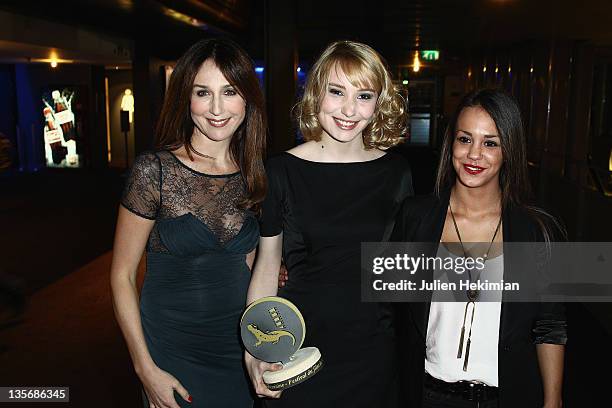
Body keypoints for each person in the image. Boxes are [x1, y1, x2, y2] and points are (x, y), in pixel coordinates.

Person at [245, 40, 413, 407]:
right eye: (337, 92)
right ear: (316, 91)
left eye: (364, 96)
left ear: (379, 103)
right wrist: (254, 351)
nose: (349, 109)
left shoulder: (396, 172)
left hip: (372, 350)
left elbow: (401, 267)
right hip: (298, 348)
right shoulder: (280, 170)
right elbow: (267, 264)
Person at [110, 38, 267, 408]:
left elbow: (248, 266)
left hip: (239, 352)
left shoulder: (257, 177)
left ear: (247, 99)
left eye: (229, 91)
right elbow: (121, 276)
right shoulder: (154, 172)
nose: (216, 108)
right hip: (171, 354)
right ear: (186, 98)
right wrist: (145, 369)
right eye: (202, 92)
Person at [393, 89, 566, 407]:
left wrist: (553, 400)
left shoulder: (537, 230)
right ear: (451, 144)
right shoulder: (415, 217)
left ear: (508, 151)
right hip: (425, 395)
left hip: (504, 398)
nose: (474, 154)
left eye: (490, 143)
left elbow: (550, 324)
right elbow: (388, 305)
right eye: (464, 139)